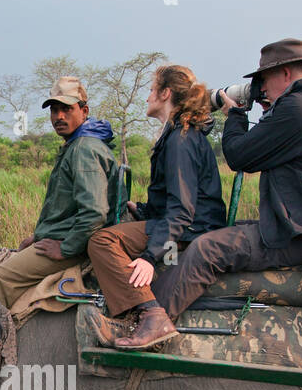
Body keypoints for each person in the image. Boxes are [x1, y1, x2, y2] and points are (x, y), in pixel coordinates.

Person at [116, 38, 302, 349]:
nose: (263, 89)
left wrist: (236, 115)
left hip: (299, 233)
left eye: (263, 80)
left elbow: (241, 157)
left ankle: (153, 322)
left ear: (284, 74)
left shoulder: (298, 108)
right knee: (232, 230)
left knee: (206, 248)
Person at [85, 65, 225, 347]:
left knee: (102, 240)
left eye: (151, 91)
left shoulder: (180, 140)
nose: (147, 98)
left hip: (192, 229)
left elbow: (182, 210)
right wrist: (143, 210)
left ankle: (151, 314)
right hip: (186, 222)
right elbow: (173, 199)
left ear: (165, 93)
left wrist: (151, 256)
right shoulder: (176, 133)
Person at [0, 77, 117, 312]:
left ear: (84, 111)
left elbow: (94, 213)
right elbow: (67, 210)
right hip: (65, 236)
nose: (59, 117)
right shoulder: (76, 144)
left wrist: (65, 248)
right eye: (54, 110)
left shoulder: (84, 148)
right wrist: (40, 235)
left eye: (66, 109)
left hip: (78, 245)